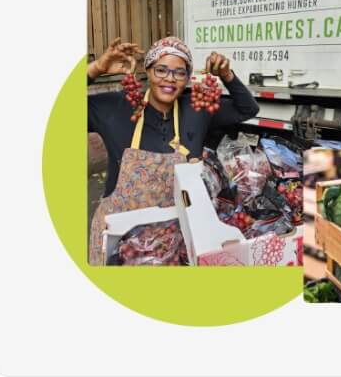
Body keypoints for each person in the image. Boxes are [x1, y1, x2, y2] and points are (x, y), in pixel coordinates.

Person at [87, 36, 259, 264]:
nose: (169, 79)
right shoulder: (116, 108)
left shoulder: (196, 110)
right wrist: (96, 69)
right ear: (147, 71)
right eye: (161, 70)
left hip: (178, 240)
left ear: (187, 78)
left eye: (179, 72)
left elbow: (247, 108)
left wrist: (227, 76)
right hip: (121, 244)